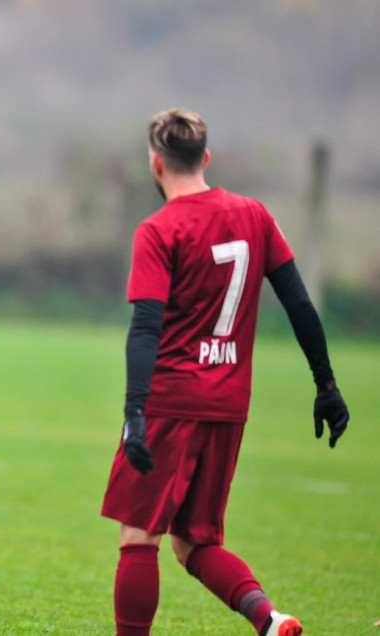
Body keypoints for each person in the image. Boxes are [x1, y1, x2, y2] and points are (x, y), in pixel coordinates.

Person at [101, 109, 350, 636]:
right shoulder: (254, 215)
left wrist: (134, 410)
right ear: (205, 158)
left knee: (138, 537)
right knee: (195, 542)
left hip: (170, 402)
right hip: (228, 403)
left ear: (156, 164)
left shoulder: (159, 228)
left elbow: (146, 328)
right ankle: (269, 618)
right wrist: (325, 384)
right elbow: (299, 303)